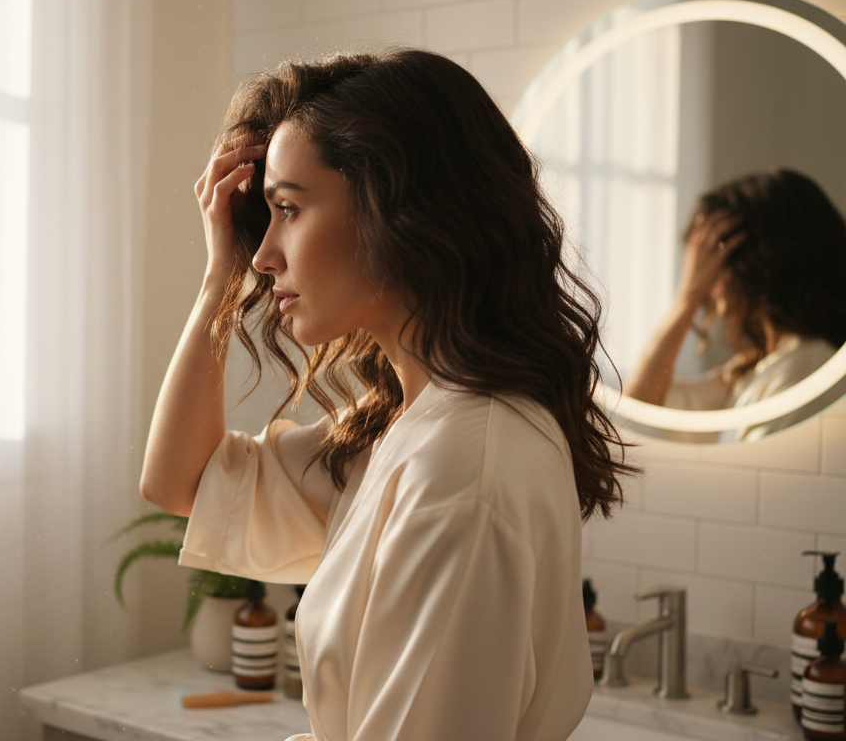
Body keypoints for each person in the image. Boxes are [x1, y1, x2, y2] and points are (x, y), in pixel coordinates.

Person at [138, 49, 635, 741]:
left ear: (397, 210)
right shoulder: (411, 428)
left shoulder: (459, 470)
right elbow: (182, 483)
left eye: (288, 209)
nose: (264, 255)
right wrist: (220, 271)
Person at [626, 170, 846, 441]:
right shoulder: (761, 367)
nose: (708, 283)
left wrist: (689, 295)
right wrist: (687, 296)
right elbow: (638, 408)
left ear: (759, 261)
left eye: (714, 259)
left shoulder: (806, 368)